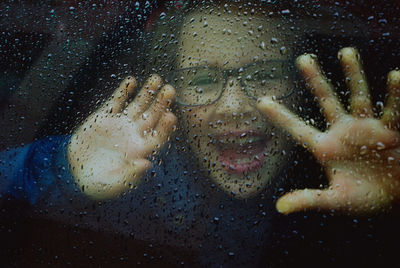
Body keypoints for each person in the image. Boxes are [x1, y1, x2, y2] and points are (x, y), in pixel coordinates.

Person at [1, 0, 400, 266]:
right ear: (172, 94)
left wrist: (389, 207)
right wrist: (63, 168)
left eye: (264, 75)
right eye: (202, 80)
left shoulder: (338, 170)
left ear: (299, 89)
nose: (233, 106)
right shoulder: (138, 172)